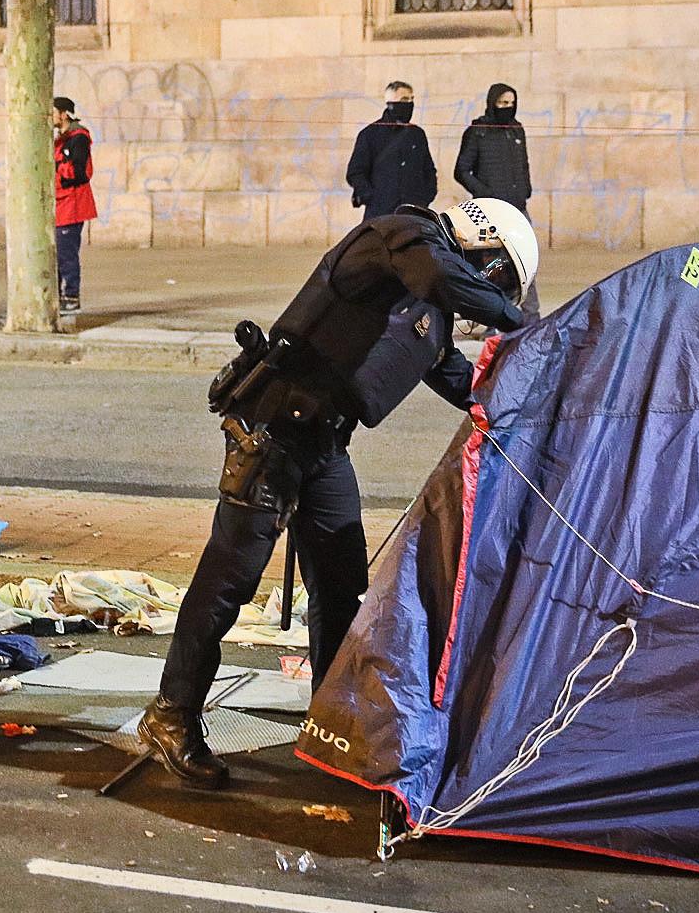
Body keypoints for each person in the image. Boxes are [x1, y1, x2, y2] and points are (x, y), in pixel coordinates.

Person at [138, 198, 539, 789]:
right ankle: (171, 714)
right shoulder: (399, 237)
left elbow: (455, 376)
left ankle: (329, 718)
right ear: (480, 237)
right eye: (497, 270)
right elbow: (435, 272)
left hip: (322, 446)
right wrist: (518, 319)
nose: (489, 286)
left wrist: (521, 405)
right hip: (270, 433)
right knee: (230, 580)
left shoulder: (426, 306)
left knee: (340, 584)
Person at [454, 83, 539, 318]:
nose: (507, 108)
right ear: (492, 103)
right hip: (492, 211)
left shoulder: (516, 129)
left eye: (511, 104)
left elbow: (524, 165)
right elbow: (462, 170)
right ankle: (494, 317)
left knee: (527, 261)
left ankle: (532, 317)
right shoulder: (477, 131)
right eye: (503, 103)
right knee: (493, 266)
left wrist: (525, 189)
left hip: (518, 208)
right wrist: (484, 193)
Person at [345, 80, 436, 218]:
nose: (410, 104)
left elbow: (428, 170)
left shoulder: (417, 134)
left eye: (412, 99)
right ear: (390, 103)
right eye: (404, 99)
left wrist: (425, 198)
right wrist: (372, 196)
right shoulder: (370, 134)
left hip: (414, 213)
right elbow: (356, 172)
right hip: (380, 214)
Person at [51, 96, 97, 313]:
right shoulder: (61, 138)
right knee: (57, 254)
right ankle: (59, 296)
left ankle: (71, 297)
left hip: (73, 204)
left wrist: (58, 170)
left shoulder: (78, 137)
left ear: (64, 114)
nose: (50, 116)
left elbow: (79, 172)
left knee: (66, 254)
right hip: (60, 204)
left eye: (53, 112)